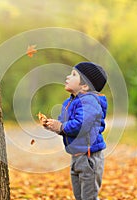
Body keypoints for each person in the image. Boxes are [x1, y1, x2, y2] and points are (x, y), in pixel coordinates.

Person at [45, 62, 108, 200]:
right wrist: (55, 126)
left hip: (89, 158)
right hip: (77, 157)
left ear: (84, 86)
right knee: (79, 196)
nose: (68, 77)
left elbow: (82, 125)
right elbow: (66, 126)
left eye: (74, 75)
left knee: (88, 197)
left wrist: (61, 127)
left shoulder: (90, 101)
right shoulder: (70, 102)